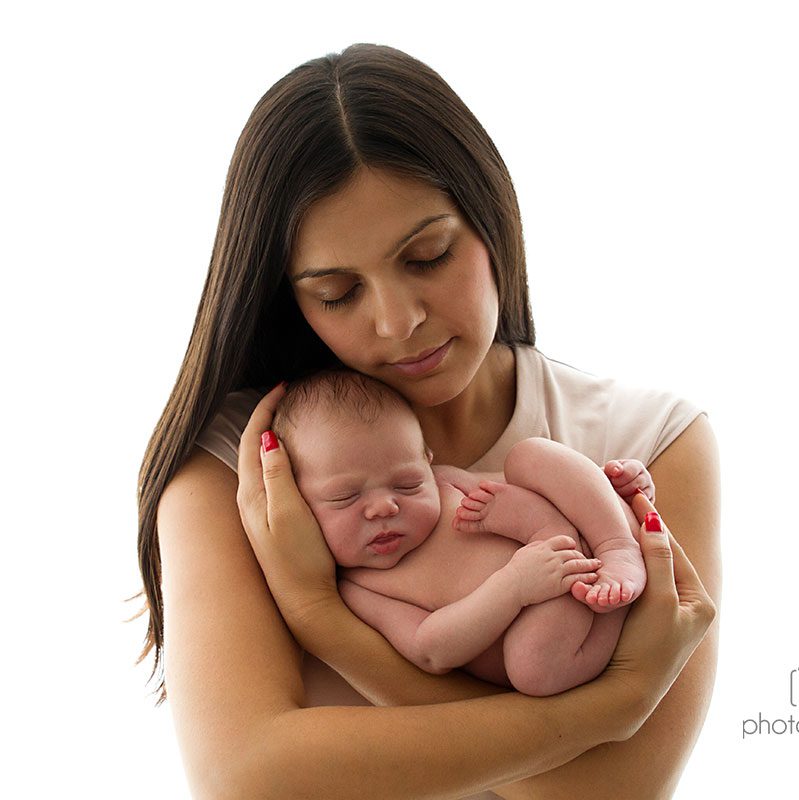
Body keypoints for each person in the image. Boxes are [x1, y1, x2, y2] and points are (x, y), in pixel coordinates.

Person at [136, 43, 720, 799]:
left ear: (491, 219)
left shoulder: (648, 443)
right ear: (290, 299)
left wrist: (325, 619)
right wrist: (613, 706)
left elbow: (612, 794)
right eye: (338, 292)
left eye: (428, 255)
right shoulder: (244, 467)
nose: (398, 321)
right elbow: (245, 776)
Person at [270, 367, 654, 697]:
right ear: (298, 502)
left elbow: (542, 488)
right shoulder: (360, 588)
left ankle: (618, 541)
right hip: (550, 622)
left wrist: (603, 487)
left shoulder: (445, 484)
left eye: (406, 484)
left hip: (582, 545)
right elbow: (430, 649)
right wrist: (515, 586)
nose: (384, 507)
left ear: (427, 462)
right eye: (344, 497)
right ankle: (612, 599)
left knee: (531, 456)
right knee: (532, 670)